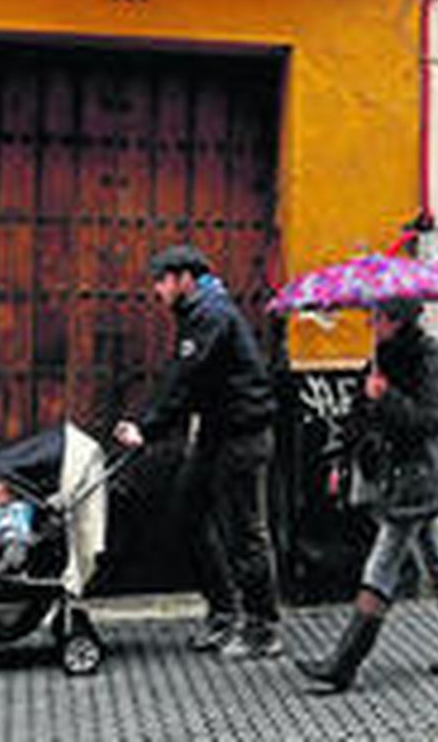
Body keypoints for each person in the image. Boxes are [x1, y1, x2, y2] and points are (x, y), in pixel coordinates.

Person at [296, 297, 438, 692]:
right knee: (435, 558)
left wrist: (387, 398)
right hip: (395, 476)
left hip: (418, 478)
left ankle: (343, 663)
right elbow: (360, 415)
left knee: (382, 564)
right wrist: (341, 460)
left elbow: (431, 421)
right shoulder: (383, 357)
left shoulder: (428, 359)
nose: (370, 323)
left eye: (377, 317)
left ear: (396, 320)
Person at [113, 244, 282, 659]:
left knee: (244, 532)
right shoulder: (199, 313)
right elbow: (185, 381)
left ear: (184, 278)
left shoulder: (211, 315)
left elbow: (184, 379)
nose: (157, 290)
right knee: (189, 515)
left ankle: (263, 629)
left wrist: (146, 428)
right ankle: (225, 612)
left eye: (161, 280)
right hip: (215, 434)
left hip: (241, 437)